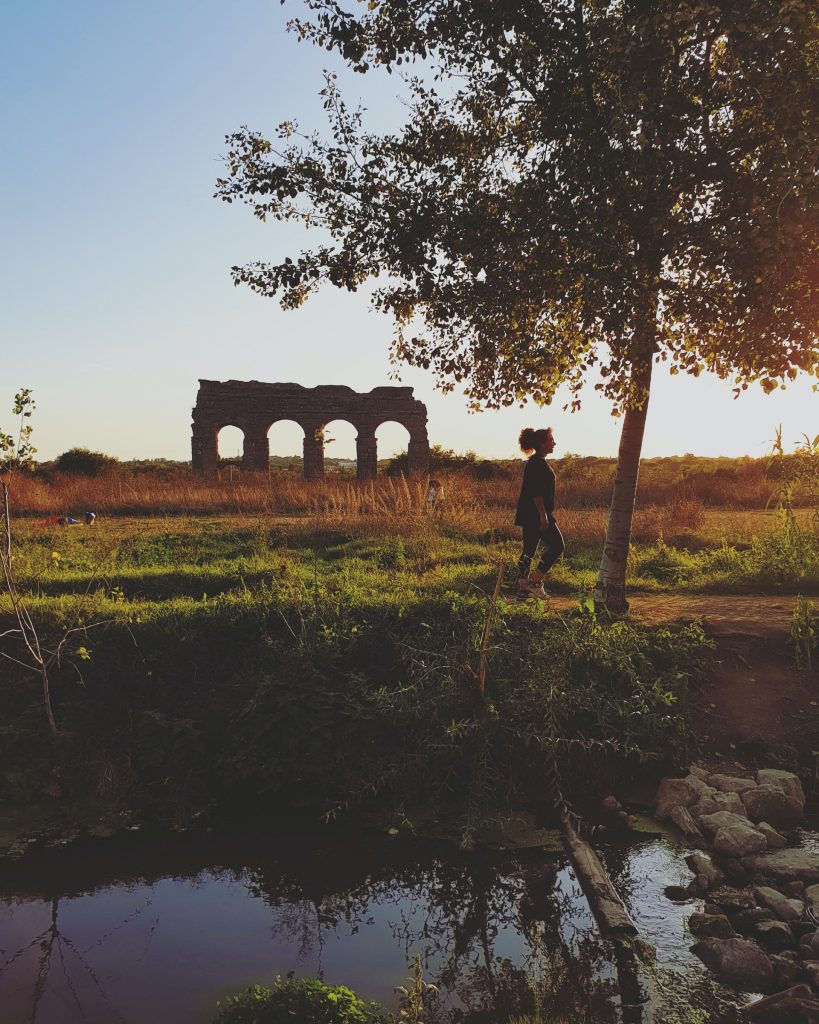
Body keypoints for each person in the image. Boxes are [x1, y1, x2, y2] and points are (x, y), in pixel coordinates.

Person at [514, 427, 565, 598]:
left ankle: (523, 588)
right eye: (551, 439)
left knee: (529, 550)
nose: (554, 443)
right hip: (536, 514)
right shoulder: (537, 463)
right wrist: (543, 515)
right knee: (558, 545)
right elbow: (536, 493)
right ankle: (535, 581)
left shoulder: (537, 462)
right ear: (542, 444)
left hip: (530, 514)